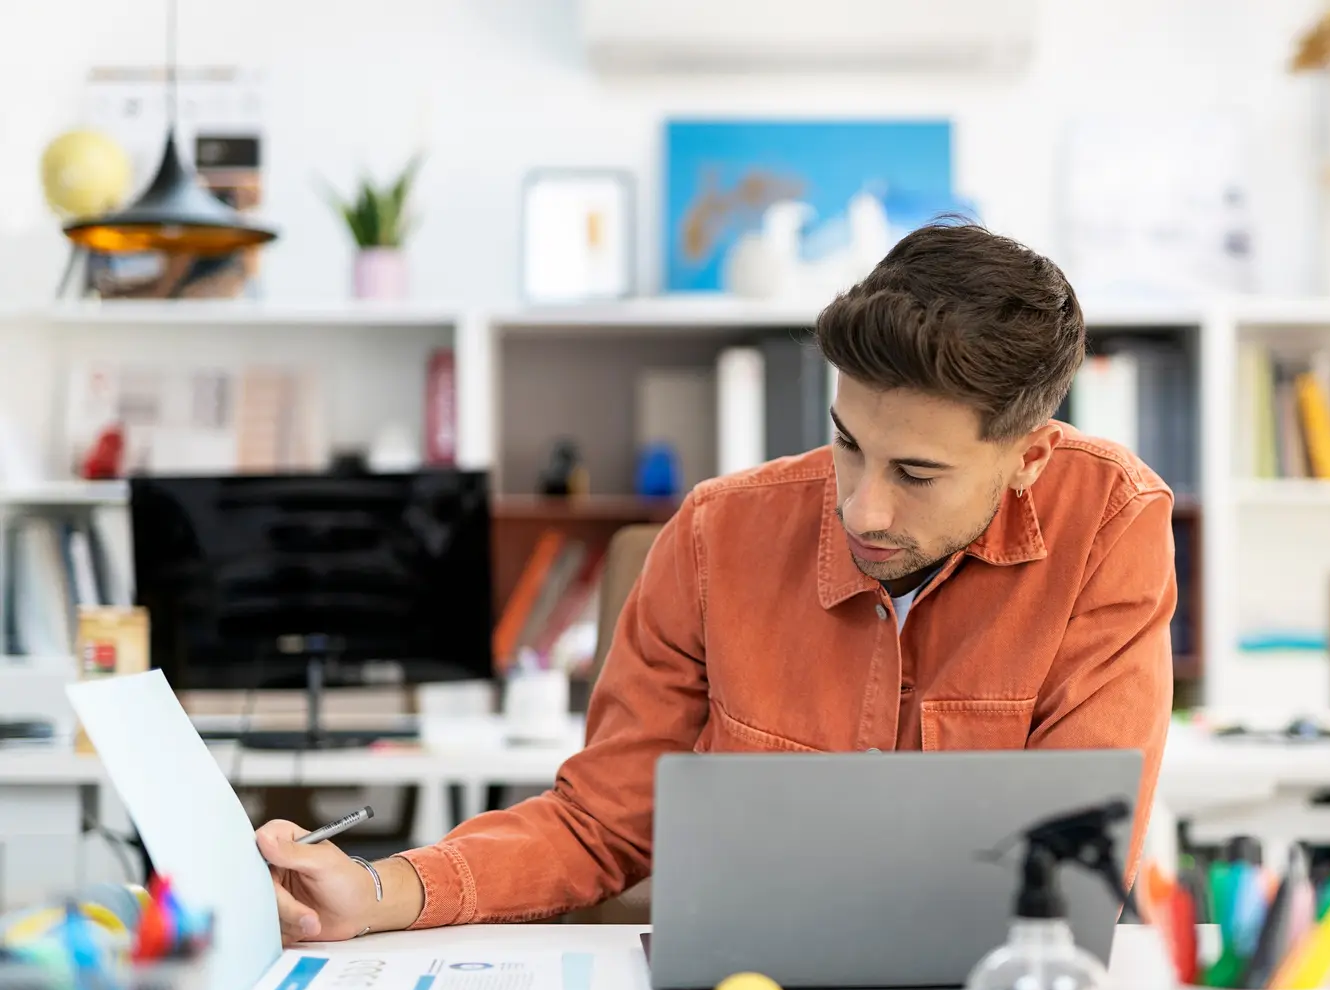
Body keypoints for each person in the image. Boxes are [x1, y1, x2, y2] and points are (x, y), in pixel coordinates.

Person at [257, 222, 1178, 943]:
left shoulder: (1109, 520)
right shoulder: (713, 533)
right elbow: (597, 824)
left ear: (1030, 455)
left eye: (916, 474)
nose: (861, 509)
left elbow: (1071, 862)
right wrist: (377, 889)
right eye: (848, 445)